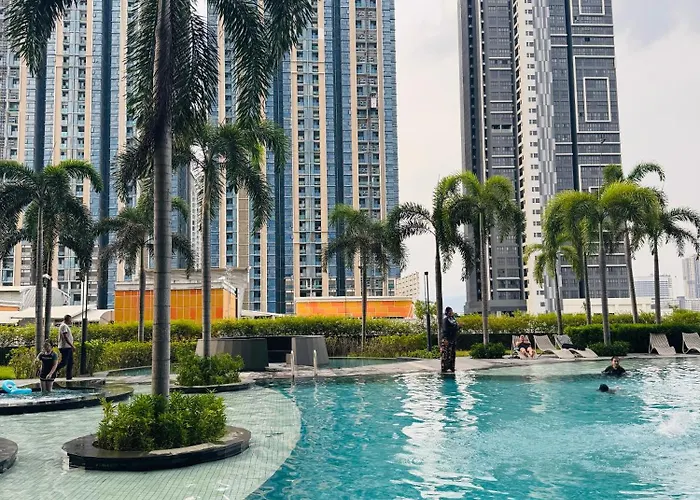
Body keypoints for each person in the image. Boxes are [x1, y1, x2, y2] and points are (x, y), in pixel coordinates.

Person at [56, 314, 75, 380]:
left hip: (67, 347)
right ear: (67, 319)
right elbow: (65, 337)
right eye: (70, 320)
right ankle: (53, 370)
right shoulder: (64, 326)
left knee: (70, 362)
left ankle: (69, 376)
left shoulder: (64, 326)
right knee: (64, 362)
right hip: (65, 347)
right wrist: (72, 345)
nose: (71, 321)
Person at [441, 307, 458, 373]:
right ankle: (444, 368)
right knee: (446, 354)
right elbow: (445, 330)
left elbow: (456, 328)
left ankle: (452, 367)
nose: (451, 312)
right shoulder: (445, 320)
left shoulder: (453, 319)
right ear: (447, 312)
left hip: (453, 339)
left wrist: (458, 326)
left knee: (452, 354)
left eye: (451, 311)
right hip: (447, 339)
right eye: (450, 311)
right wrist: (445, 339)